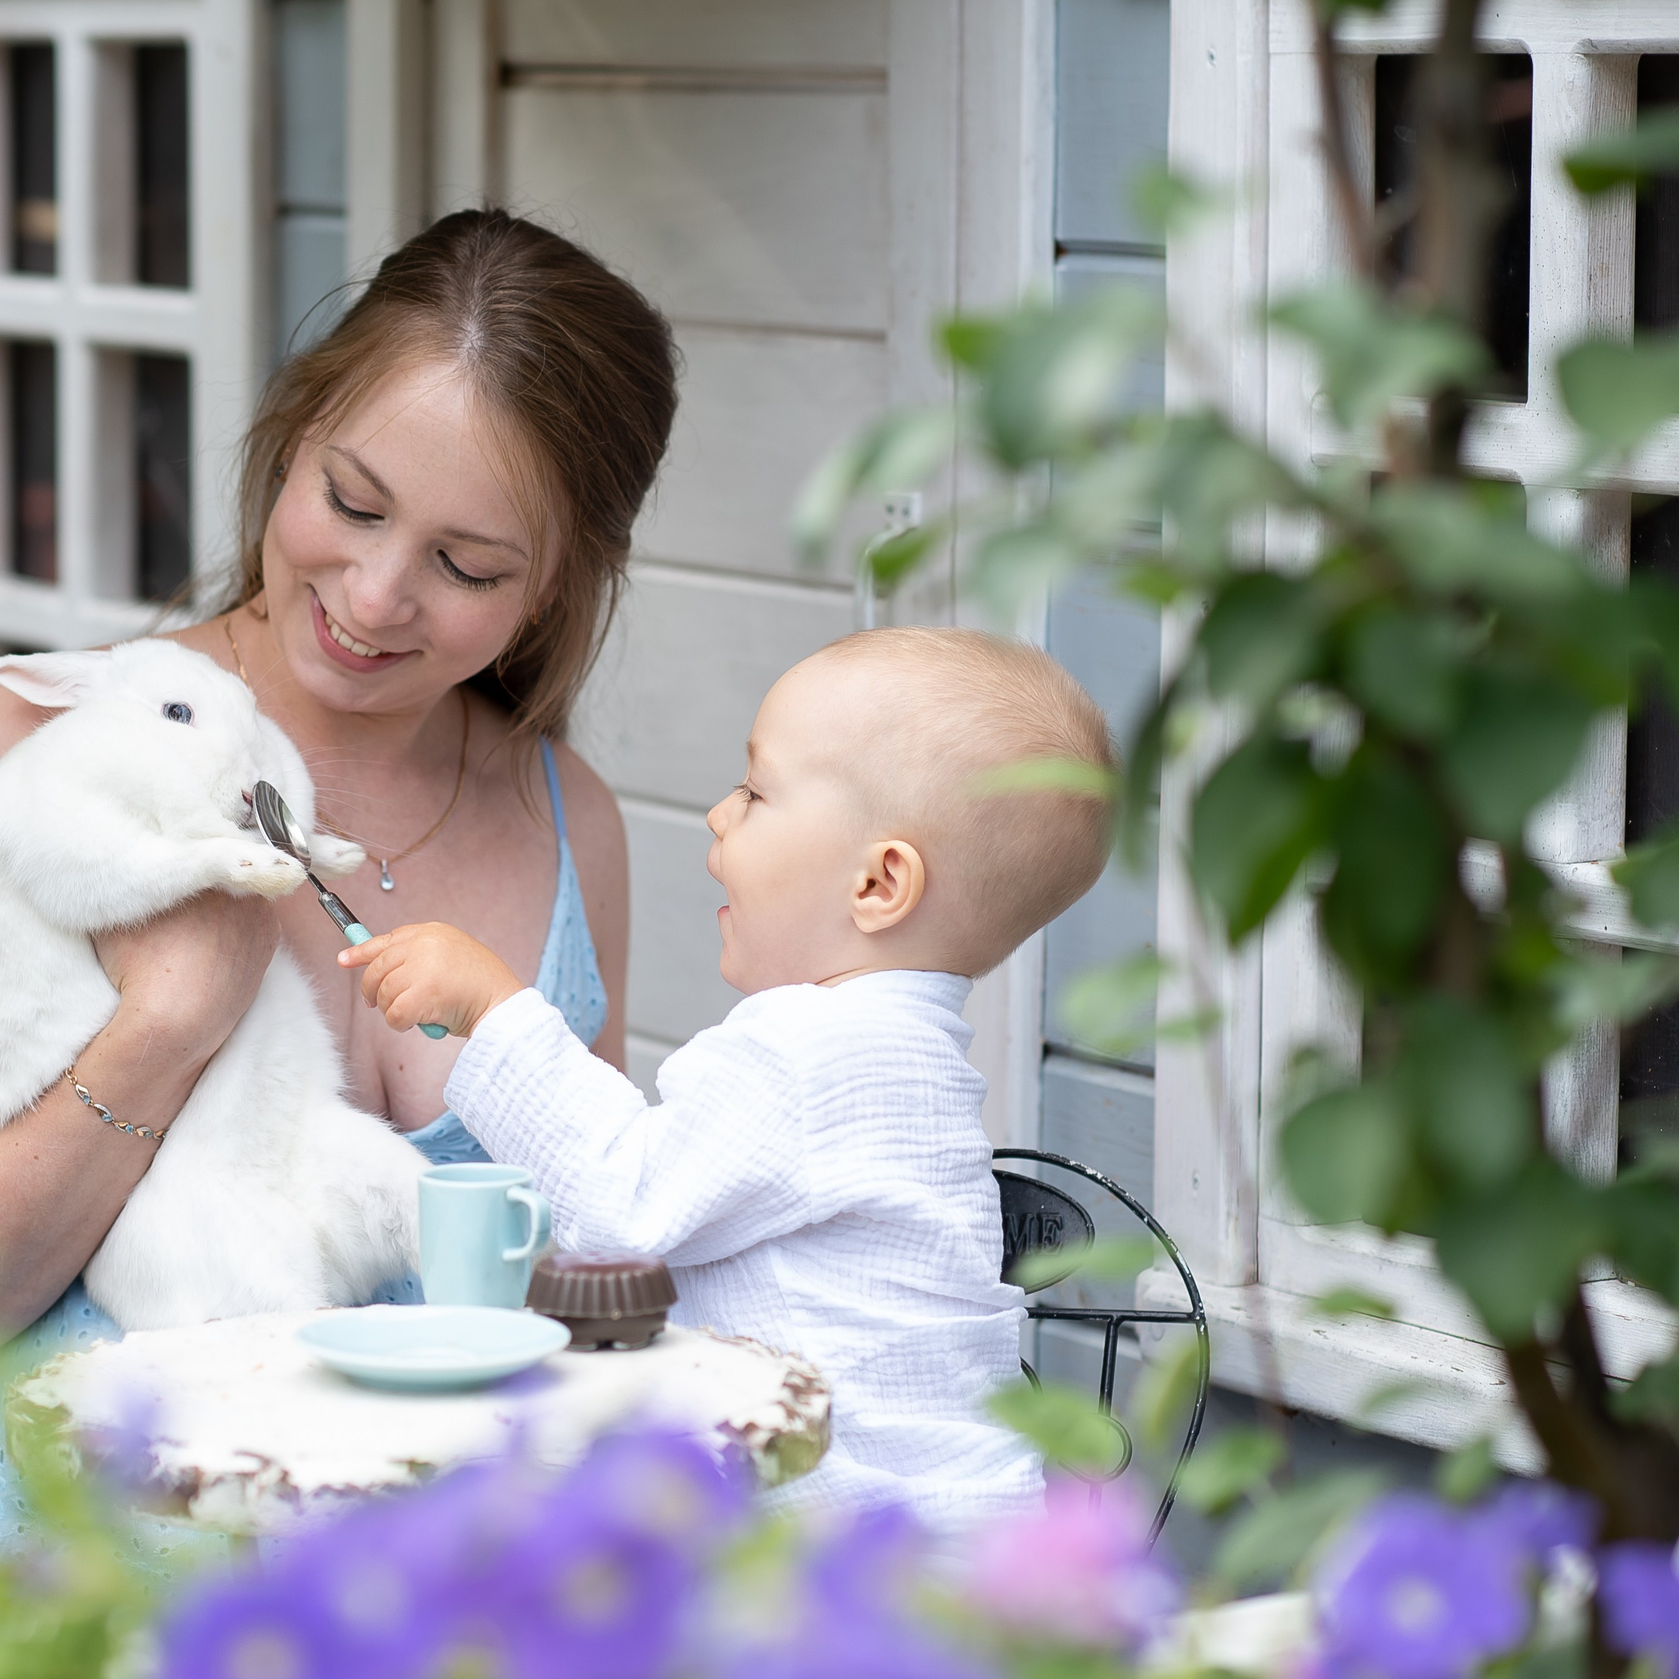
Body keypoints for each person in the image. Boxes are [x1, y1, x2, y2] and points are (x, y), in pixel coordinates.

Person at [0, 210, 678, 1612]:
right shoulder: (50, 748)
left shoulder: (571, 823)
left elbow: (584, 1278)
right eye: (350, 500)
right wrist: (167, 1024)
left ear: (559, 587)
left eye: (466, 567)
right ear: (288, 440)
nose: (376, 595)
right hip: (33, 1596)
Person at [341, 627, 1114, 1532]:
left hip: (859, 1553)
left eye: (755, 791)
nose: (719, 812)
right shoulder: (905, 1054)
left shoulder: (812, 1051)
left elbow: (622, 1207)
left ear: (879, 882)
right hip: (960, 1532)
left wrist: (495, 1010)